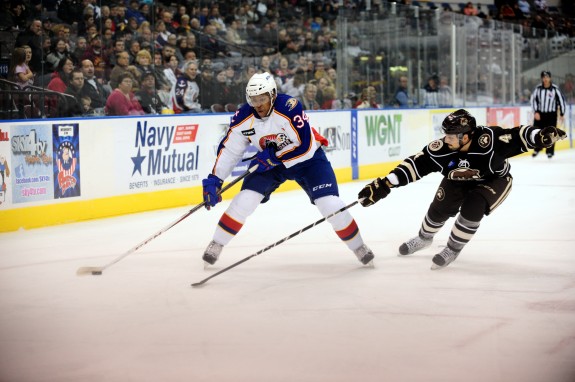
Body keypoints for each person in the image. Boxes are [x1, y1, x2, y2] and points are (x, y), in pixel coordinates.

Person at [200, 72, 375, 267]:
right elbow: (230, 151)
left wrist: (275, 156)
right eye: (253, 100)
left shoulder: (289, 107)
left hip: (308, 160)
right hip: (271, 164)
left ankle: (359, 246)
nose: (258, 105)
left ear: (273, 95)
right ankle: (217, 243)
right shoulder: (243, 117)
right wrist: (215, 179)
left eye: (262, 99)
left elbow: (305, 146)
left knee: (331, 205)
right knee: (244, 200)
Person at [357, 109, 566, 270]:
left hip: (494, 180)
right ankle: (423, 238)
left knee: (472, 206)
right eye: (446, 135)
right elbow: (416, 165)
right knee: (439, 208)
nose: (446, 140)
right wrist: (385, 184)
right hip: (458, 179)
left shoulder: (489, 140)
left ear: (466, 136)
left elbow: (517, 135)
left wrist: (541, 135)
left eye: (451, 136)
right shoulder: (441, 149)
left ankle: (452, 249)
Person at [530, 71, 566, 158]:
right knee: (537, 132)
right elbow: (533, 100)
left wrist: (562, 113)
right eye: (544, 77)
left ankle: (550, 151)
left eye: (547, 77)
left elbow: (561, 101)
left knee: (551, 133)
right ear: (542, 78)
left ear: (550, 78)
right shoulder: (538, 89)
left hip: (551, 115)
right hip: (540, 114)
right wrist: (536, 112)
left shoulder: (555, 89)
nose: (545, 79)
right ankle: (537, 149)